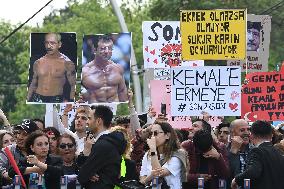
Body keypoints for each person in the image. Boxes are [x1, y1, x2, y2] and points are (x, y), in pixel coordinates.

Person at [77, 105, 127, 189]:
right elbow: (84, 172)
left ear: (98, 121)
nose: (87, 122)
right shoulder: (107, 142)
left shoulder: (103, 145)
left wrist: (87, 173)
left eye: (89, 118)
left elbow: (82, 176)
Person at [231, 120, 284, 189]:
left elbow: (253, 172)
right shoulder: (278, 152)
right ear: (271, 136)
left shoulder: (257, 151)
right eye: (242, 130)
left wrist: (236, 180)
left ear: (252, 136)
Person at [27, 33, 76, 103]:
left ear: (59, 44)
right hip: (38, 98)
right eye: (46, 43)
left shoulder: (67, 63)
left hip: (56, 99)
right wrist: (27, 100)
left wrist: (71, 102)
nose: (49, 46)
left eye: (52, 43)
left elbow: (73, 85)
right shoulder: (38, 62)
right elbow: (33, 84)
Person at [140, 121, 187, 189]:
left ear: (167, 135)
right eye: (151, 134)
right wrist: (150, 177)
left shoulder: (178, 154)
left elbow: (159, 173)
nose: (152, 137)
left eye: (156, 133)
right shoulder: (148, 154)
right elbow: (142, 178)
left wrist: (153, 150)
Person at [81, 34, 128, 103]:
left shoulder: (118, 69)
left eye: (109, 48)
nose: (107, 52)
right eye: (102, 49)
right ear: (94, 49)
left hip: (115, 110)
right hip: (95, 109)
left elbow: (122, 92)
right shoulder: (85, 71)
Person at [0, 119, 39, 186]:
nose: (20, 137)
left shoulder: (39, 150)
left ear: (33, 137)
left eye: (25, 134)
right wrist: (7, 174)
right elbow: (2, 170)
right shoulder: (7, 150)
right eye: (19, 133)